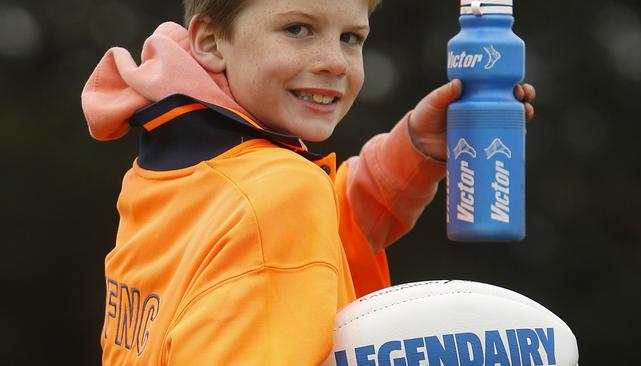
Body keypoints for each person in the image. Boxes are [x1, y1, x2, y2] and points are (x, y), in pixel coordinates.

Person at [81, 0, 536, 364]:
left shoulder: (170, 167)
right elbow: (280, 224)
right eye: (298, 29)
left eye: (351, 37)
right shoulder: (280, 192)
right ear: (212, 41)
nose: (334, 62)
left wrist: (412, 149)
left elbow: (294, 242)